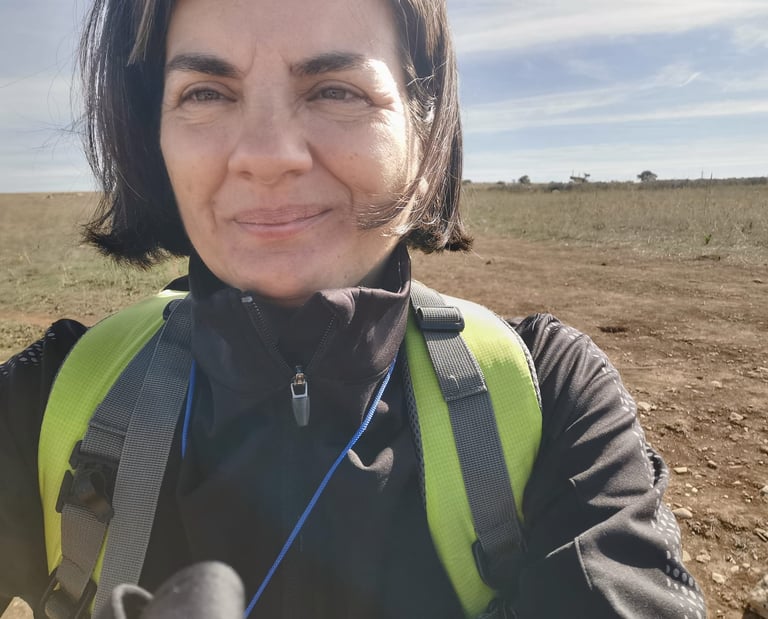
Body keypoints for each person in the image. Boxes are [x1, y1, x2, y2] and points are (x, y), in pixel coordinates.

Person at [0, 0, 707, 617]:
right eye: (206, 93)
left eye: (335, 90)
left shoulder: (546, 396)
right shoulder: (56, 395)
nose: (267, 155)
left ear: (426, 138)